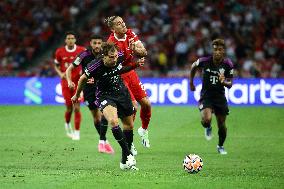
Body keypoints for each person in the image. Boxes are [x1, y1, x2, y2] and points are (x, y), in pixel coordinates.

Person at [71, 42, 144, 170]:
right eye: (111, 57)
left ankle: (123, 162)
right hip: (105, 95)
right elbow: (82, 79)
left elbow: (123, 67)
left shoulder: (119, 56)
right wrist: (77, 95)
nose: (114, 59)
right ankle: (128, 154)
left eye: (115, 56)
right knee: (114, 121)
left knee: (129, 125)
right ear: (103, 56)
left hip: (121, 92)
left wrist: (136, 61)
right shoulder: (94, 66)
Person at [105, 16, 152, 149]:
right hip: (120, 76)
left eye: (123, 22)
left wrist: (136, 50)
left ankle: (143, 130)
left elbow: (144, 51)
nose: (123, 25)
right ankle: (129, 143)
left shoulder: (130, 33)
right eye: (119, 24)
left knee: (146, 104)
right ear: (113, 28)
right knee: (133, 107)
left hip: (131, 73)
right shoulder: (111, 43)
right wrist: (131, 54)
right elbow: (115, 66)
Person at [66, 35, 114, 154]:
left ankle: (102, 141)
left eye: (99, 43)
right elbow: (69, 69)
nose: (97, 45)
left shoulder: (106, 54)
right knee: (96, 117)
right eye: (94, 43)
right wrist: (69, 81)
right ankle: (104, 141)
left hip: (103, 88)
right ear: (91, 43)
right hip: (89, 90)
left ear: (102, 44)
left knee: (104, 113)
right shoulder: (84, 55)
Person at [189, 39, 234, 155]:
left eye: (220, 50)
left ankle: (220, 146)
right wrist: (191, 82)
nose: (217, 52)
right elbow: (193, 67)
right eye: (215, 49)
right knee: (206, 119)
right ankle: (208, 127)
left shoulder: (228, 64)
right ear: (212, 50)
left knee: (222, 125)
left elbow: (230, 84)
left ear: (223, 51)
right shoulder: (204, 61)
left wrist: (224, 82)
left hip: (220, 97)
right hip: (206, 96)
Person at [53, 31, 85, 140]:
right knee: (69, 108)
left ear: (75, 40)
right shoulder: (59, 52)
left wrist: (84, 73)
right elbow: (56, 65)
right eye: (68, 38)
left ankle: (77, 132)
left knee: (77, 108)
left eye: (72, 38)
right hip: (65, 83)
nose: (70, 40)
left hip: (78, 83)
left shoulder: (81, 50)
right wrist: (60, 73)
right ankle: (67, 123)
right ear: (65, 40)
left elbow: (87, 63)